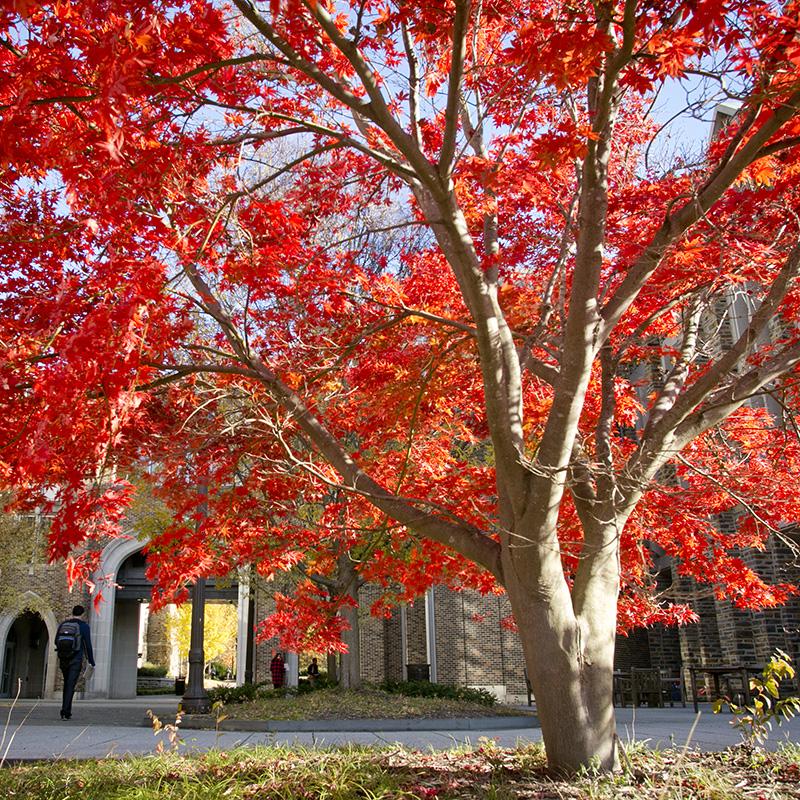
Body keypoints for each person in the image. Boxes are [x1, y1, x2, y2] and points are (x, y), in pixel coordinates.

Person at [56, 604, 95, 720]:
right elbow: (87, 645)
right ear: (82, 614)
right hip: (75, 659)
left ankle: (65, 710)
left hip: (63, 658)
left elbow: (55, 641)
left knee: (66, 683)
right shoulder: (83, 626)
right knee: (70, 684)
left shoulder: (63, 624)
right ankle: (65, 712)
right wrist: (91, 661)